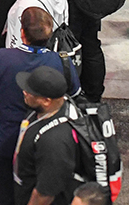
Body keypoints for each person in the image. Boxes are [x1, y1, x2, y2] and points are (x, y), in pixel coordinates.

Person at [0, 7, 79, 205]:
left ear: (22, 33)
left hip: (7, 140)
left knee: (7, 192)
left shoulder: (2, 58)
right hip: (46, 144)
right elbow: (75, 96)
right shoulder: (61, 61)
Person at [11, 67, 80, 205]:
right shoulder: (46, 109)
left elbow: (45, 193)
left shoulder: (54, 142)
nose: (24, 92)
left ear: (46, 101)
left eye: (30, 92)